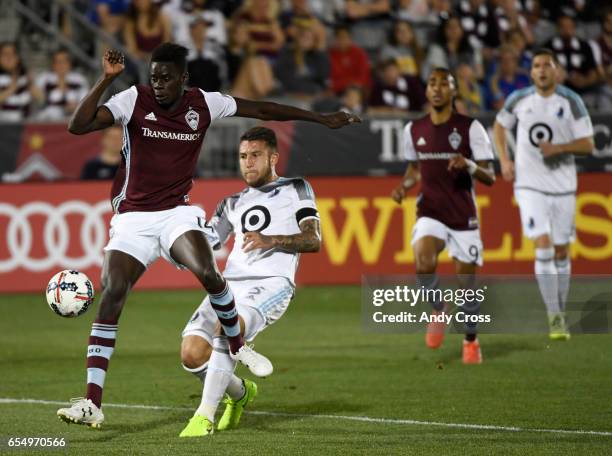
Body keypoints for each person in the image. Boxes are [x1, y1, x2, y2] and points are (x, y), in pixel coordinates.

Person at [56, 42, 359, 428]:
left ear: (183, 79)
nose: (160, 85)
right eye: (155, 78)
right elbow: (77, 125)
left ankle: (237, 345)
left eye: (167, 78)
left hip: (177, 214)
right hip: (133, 219)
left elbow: (263, 109)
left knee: (209, 272)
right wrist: (106, 80)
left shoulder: (205, 103)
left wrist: (320, 118)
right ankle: (92, 401)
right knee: (112, 291)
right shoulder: (133, 99)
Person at [178, 126, 321, 437]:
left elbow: (313, 240)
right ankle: (242, 393)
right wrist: (178, 232)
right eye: (243, 156)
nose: (248, 163)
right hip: (230, 284)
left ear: (273, 157)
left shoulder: (296, 188)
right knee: (191, 353)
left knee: (227, 328)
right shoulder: (231, 203)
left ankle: (204, 416)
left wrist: (271, 239)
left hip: (271, 283)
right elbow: (208, 241)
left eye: (255, 155)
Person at [391, 68, 495, 364]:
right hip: (431, 210)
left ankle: (471, 340)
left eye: (444, 84)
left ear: (454, 91)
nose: (436, 89)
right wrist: (403, 186)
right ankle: (439, 308)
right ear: (426, 91)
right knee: (423, 261)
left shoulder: (471, 128)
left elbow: (490, 175)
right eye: (432, 84)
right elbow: (414, 171)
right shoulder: (414, 129)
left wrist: (470, 166)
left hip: (463, 216)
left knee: (467, 285)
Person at [493, 49, 594, 341]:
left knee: (562, 250)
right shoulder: (519, 100)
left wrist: (560, 149)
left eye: (546, 66)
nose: (540, 70)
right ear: (532, 72)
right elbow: (500, 126)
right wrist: (504, 159)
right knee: (544, 244)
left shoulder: (571, 101)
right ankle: (555, 316)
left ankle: (559, 307)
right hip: (529, 184)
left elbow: (588, 144)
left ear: (556, 70)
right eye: (536, 66)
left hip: (563, 186)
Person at [33, 49, 90, 121]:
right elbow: (38, 101)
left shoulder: (79, 80)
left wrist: (75, 107)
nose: (61, 65)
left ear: (70, 63)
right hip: (47, 121)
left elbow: (85, 104)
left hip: (72, 121)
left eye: (64, 61)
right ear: (53, 64)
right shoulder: (44, 79)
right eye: (57, 62)